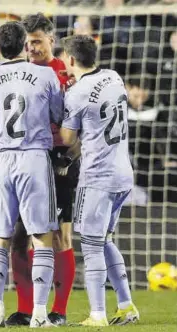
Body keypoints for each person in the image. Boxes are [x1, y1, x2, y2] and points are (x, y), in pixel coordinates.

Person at [0, 21, 64, 328]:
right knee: (42, 237)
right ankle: (41, 314)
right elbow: (59, 115)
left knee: (0, 239)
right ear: (23, 44)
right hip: (33, 158)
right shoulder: (45, 75)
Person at [5, 13, 80, 327]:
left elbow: (81, 123)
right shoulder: (16, 72)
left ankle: (59, 310)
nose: (31, 47)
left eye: (36, 41)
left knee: (59, 236)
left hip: (59, 159)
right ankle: (24, 308)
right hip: (23, 160)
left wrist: (69, 157)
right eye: (27, 42)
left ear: (51, 40)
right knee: (19, 236)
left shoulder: (66, 73)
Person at [60, 35, 139, 326]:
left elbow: (68, 139)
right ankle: (126, 304)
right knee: (105, 240)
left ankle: (97, 314)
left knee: (91, 245)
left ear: (70, 59)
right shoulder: (113, 77)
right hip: (123, 172)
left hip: (97, 176)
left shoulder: (77, 93)